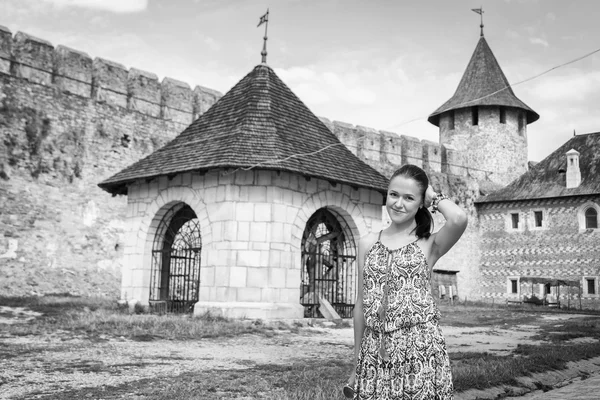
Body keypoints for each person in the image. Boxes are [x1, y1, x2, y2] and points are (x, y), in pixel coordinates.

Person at [345, 164, 468, 400]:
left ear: (421, 202)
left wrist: (433, 196)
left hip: (419, 351)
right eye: (394, 195)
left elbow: (458, 218)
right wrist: (357, 362)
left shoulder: (429, 244)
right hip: (374, 351)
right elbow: (360, 306)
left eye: (409, 197)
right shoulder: (367, 243)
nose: (398, 204)